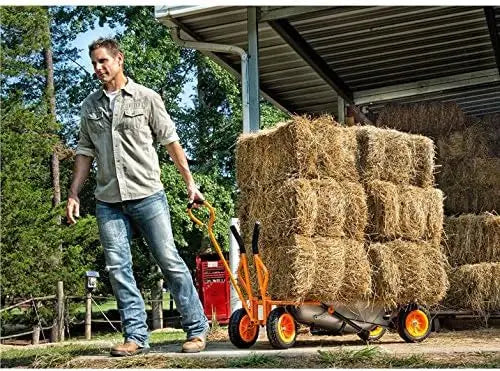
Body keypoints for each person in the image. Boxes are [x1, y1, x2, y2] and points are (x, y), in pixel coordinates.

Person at [66, 38, 209, 356]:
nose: (98, 68)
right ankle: (136, 337)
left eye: (103, 61)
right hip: (108, 201)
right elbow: (84, 152)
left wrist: (190, 183)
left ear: (119, 60)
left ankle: (197, 330)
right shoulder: (90, 106)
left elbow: (171, 142)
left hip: (147, 195)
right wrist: (74, 192)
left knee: (169, 261)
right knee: (118, 269)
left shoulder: (147, 98)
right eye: (94, 63)